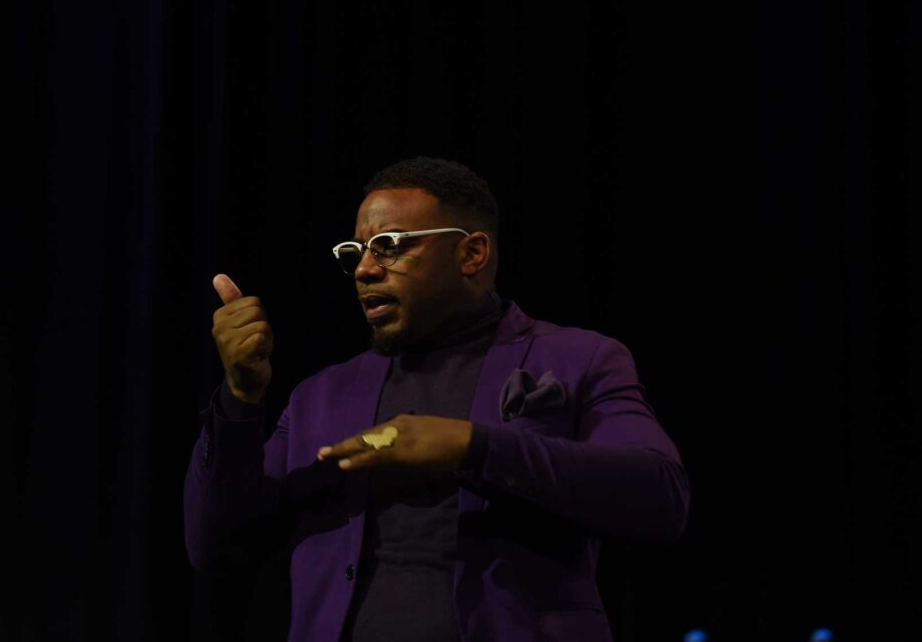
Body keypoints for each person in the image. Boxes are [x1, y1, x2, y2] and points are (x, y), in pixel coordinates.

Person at [184, 157, 690, 642]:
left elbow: (661, 498)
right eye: (357, 252)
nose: (364, 270)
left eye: (388, 246)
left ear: (472, 254)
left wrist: (472, 447)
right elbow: (215, 545)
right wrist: (241, 395)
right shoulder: (320, 395)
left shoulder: (579, 358)